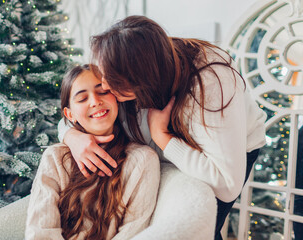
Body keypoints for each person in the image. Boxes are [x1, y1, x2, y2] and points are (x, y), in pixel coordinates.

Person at [58, 16, 267, 240]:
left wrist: (162, 136)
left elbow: (227, 185)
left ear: (141, 81)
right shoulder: (121, 75)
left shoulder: (212, 81)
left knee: (199, 226)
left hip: (220, 156)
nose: (105, 87)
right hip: (157, 152)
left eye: (112, 81)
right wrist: (71, 136)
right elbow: (76, 113)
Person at [25, 64, 160, 240]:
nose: (95, 101)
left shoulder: (142, 160)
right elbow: (40, 230)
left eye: (103, 92)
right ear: (69, 114)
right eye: (82, 99)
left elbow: (134, 231)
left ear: (116, 96)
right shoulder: (55, 157)